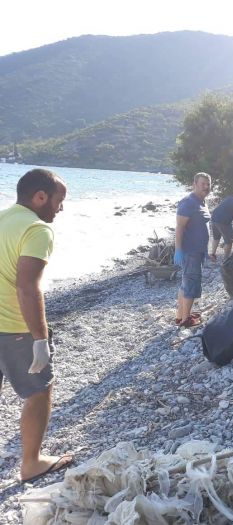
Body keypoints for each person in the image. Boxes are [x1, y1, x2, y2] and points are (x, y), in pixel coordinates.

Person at [0, 168, 73, 483]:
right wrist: (40, 340)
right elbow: (27, 287)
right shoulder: (37, 229)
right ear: (40, 197)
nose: (60, 208)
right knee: (40, 391)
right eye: (58, 201)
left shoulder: (3, 219)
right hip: (16, 329)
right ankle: (31, 463)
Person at [174, 172, 211, 328]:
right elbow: (179, 227)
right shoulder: (188, 203)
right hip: (190, 251)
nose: (206, 187)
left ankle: (180, 316)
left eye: (208, 184)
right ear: (194, 184)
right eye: (203, 183)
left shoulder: (202, 202)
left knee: (186, 283)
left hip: (199, 251)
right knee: (191, 284)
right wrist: (178, 250)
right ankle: (185, 321)